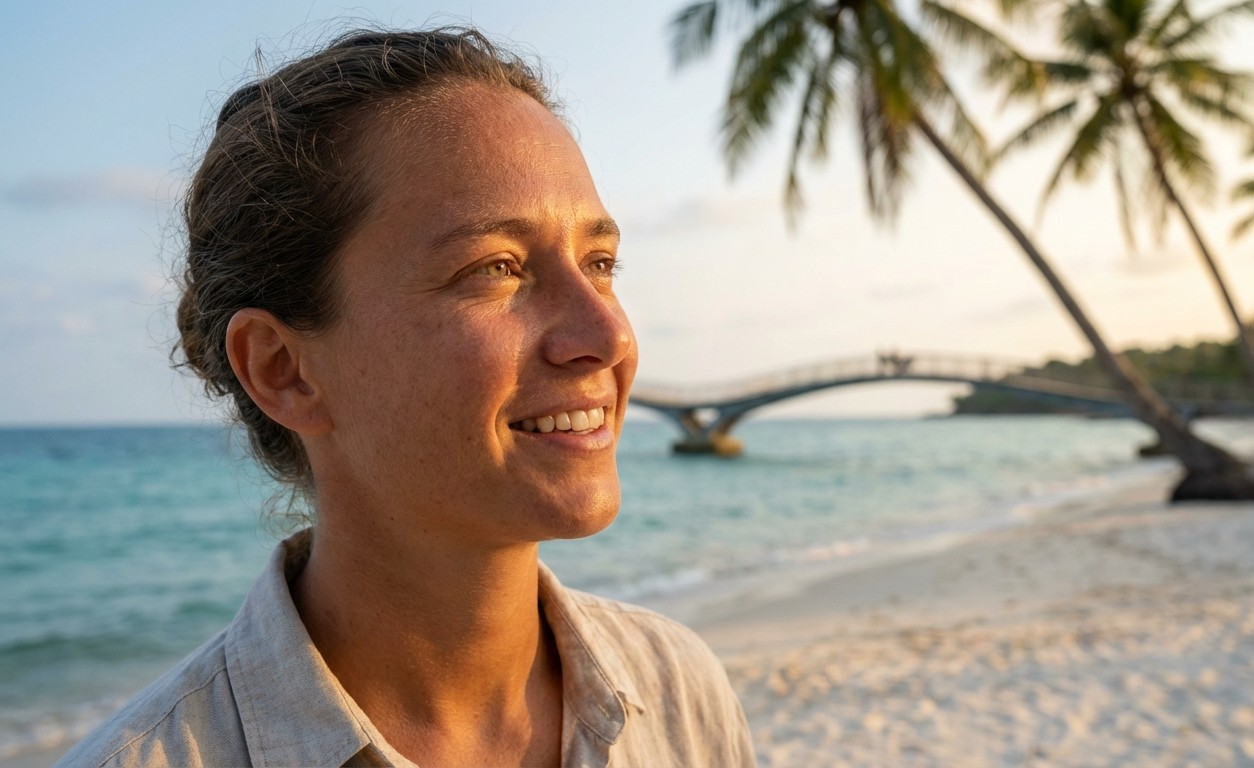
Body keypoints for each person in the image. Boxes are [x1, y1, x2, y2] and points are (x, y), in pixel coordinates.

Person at [58, 27, 755, 768]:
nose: (607, 335)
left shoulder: (677, 688)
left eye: (600, 261)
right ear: (283, 370)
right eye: (496, 268)